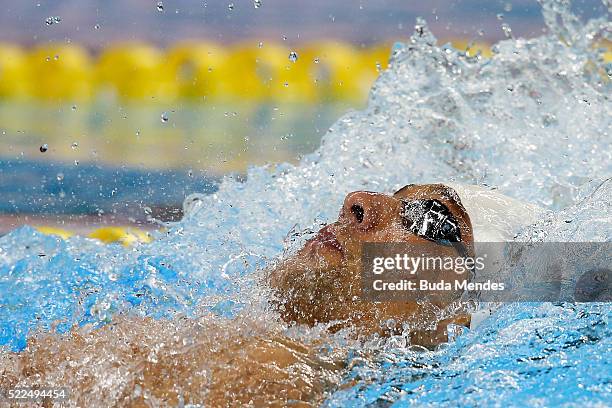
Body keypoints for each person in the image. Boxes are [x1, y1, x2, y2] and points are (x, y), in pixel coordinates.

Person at [0, 184, 542, 406]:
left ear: (452, 313)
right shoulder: (263, 346)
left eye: (428, 219)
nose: (358, 201)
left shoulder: (279, 369)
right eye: (391, 190)